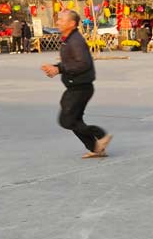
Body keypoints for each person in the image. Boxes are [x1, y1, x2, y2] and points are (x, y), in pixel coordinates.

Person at [41, 10, 112, 158]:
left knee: (66, 120)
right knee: (75, 120)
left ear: (72, 24)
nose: (58, 22)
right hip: (77, 86)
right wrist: (56, 68)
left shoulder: (76, 41)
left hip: (80, 87)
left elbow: (83, 63)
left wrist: (59, 68)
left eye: (61, 19)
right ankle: (96, 148)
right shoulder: (69, 39)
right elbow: (71, 62)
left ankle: (101, 135)